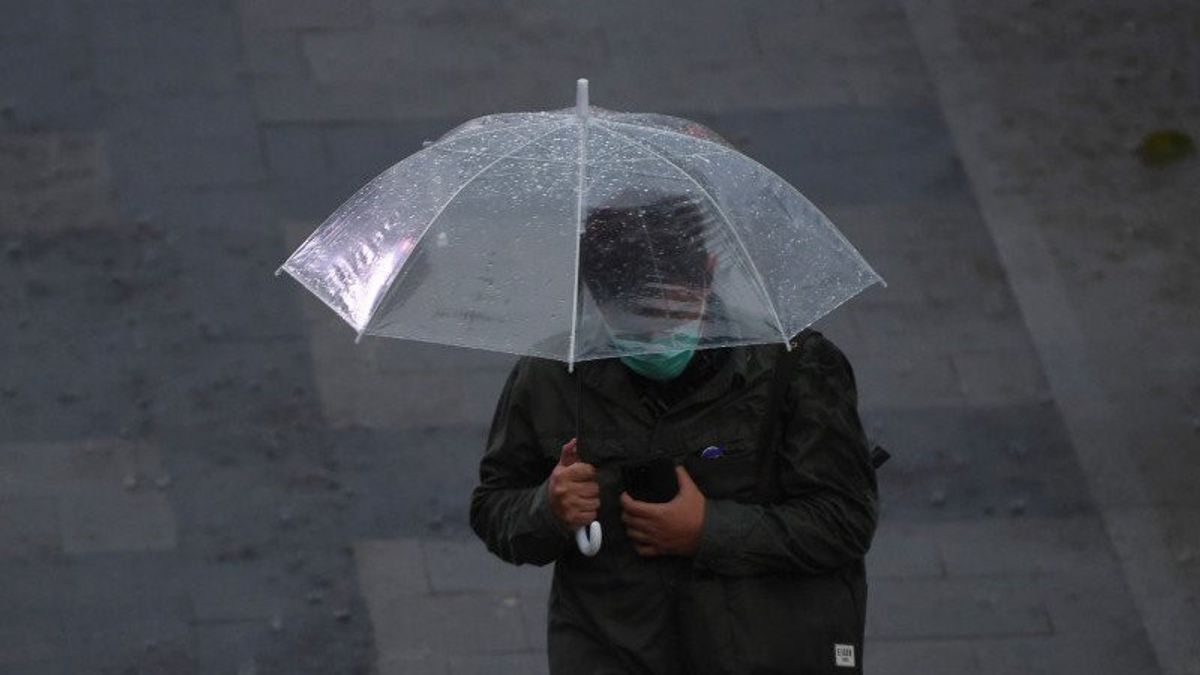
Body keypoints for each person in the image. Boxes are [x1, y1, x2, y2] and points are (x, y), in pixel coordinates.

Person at [469, 192, 879, 674]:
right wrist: (549, 507)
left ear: (706, 273)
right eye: (635, 320)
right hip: (611, 649)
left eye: (673, 311)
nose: (656, 335)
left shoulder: (793, 368)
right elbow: (494, 506)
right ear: (594, 293)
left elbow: (844, 519)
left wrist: (708, 530)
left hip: (757, 650)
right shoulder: (552, 379)